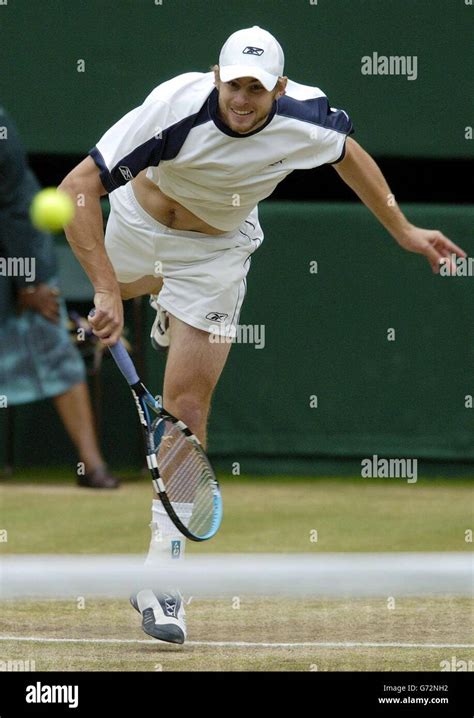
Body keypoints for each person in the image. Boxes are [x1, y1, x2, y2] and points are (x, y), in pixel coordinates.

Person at [59, 26, 466, 643]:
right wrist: (110, 291)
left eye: (257, 88)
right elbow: (77, 189)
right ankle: (148, 300)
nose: (243, 100)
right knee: (118, 294)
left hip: (216, 253)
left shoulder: (306, 116)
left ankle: (161, 577)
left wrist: (403, 230)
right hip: (139, 226)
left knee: (186, 410)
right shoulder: (174, 107)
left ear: (277, 86)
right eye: (234, 85)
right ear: (216, 77)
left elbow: (349, 154)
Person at [0, 106, 119, 489]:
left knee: (54, 349)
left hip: (19, 253)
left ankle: (92, 465)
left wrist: (29, 279)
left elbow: (15, 205)